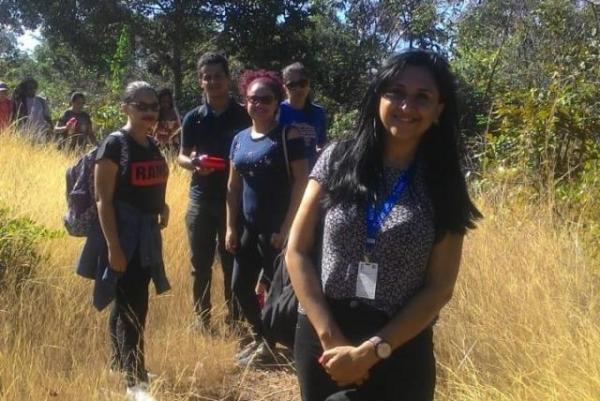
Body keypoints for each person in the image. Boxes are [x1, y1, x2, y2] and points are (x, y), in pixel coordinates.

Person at [285, 50, 482, 401]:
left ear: (439, 111)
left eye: (422, 97)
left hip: (400, 343)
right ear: (379, 96)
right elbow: (297, 250)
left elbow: (440, 288)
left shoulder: (444, 182)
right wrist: (334, 342)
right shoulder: (338, 157)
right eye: (396, 92)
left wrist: (370, 353)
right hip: (325, 332)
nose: (407, 106)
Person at [76, 81, 170, 401]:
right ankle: (135, 382)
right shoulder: (114, 145)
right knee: (134, 308)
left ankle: (121, 364)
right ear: (125, 107)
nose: (149, 112)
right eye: (141, 106)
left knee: (127, 301)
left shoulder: (151, 144)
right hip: (122, 236)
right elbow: (104, 200)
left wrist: (163, 205)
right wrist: (114, 247)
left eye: (154, 106)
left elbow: (152, 181)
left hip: (146, 236)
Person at [226, 69, 309, 365]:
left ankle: (273, 344)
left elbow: (302, 181)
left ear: (277, 103)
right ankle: (263, 340)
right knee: (238, 287)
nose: (258, 104)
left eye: (266, 99)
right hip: (247, 227)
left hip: (277, 229)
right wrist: (229, 227)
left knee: (277, 295)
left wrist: (287, 228)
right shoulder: (238, 140)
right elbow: (233, 187)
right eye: (253, 99)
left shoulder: (289, 136)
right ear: (244, 101)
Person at [177, 52, 251, 330]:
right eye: (207, 77)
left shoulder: (244, 114)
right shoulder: (193, 118)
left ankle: (235, 319)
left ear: (228, 79)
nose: (212, 81)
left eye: (218, 76)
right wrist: (195, 164)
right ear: (200, 81)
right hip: (200, 199)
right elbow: (181, 157)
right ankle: (202, 319)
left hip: (235, 200)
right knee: (200, 264)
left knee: (233, 262)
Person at [279, 62, 327, 167]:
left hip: (311, 173)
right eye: (292, 85)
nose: (298, 89)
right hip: (284, 172)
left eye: (302, 83)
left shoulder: (319, 112)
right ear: (285, 88)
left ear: (309, 84)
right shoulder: (277, 111)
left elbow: (322, 144)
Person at [153, 88, 181, 152]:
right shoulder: (155, 114)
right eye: (163, 101)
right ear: (159, 101)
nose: (166, 104)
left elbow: (179, 132)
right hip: (158, 149)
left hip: (174, 148)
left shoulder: (174, 113)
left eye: (168, 101)